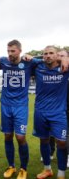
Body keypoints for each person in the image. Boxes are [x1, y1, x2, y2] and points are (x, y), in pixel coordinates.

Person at [0, 40, 41, 179]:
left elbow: (45, 60)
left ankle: (23, 168)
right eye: (8, 51)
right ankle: (11, 166)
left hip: (21, 106)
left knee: (20, 137)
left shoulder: (29, 63)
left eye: (13, 51)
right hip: (5, 105)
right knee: (7, 136)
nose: (9, 54)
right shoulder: (3, 61)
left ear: (20, 51)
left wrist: (33, 57)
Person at [33, 46, 68, 179]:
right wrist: (29, 57)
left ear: (57, 55)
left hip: (58, 113)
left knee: (62, 142)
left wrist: (65, 58)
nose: (48, 56)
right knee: (44, 140)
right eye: (45, 54)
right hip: (40, 112)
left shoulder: (64, 67)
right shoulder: (38, 67)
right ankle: (47, 169)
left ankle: (61, 173)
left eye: (51, 53)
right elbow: (26, 60)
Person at [57, 49, 69, 168]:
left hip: (67, 106)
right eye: (58, 55)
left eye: (62, 56)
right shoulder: (54, 69)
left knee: (67, 134)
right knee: (52, 133)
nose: (59, 57)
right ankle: (50, 152)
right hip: (57, 106)